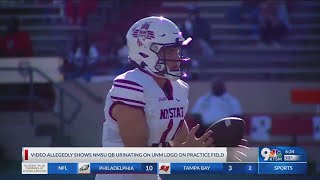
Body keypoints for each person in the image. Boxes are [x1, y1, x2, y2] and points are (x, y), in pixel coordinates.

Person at [95, 16, 214, 180]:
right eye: (169, 51)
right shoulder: (130, 86)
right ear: (144, 51)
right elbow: (138, 154)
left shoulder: (178, 88)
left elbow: (180, 142)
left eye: (177, 50)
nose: (176, 57)